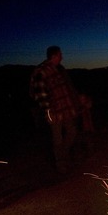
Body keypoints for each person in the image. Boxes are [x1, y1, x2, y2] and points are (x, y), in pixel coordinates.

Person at [30, 46, 82, 175]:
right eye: (60, 55)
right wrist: (48, 110)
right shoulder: (41, 71)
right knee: (57, 138)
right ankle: (61, 165)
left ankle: (63, 156)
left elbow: (67, 87)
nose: (62, 57)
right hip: (54, 111)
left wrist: (76, 101)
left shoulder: (59, 69)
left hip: (66, 108)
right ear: (53, 56)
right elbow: (40, 94)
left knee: (72, 132)